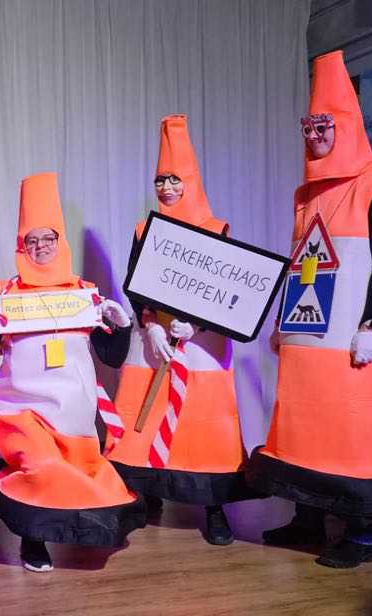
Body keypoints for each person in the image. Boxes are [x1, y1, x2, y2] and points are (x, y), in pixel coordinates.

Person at [247, 50, 372, 568]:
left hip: (355, 336)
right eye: (309, 127)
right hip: (309, 339)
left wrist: (371, 324)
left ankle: (361, 534)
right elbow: (301, 264)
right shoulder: (306, 195)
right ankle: (307, 517)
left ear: (346, 127)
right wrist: (283, 323)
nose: (315, 136)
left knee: (357, 432)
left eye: (324, 126)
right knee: (306, 429)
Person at [0, 172, 145, 572]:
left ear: (60, 242)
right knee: (40, 468)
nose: (41, 247)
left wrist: (121, 325)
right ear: (21, 246)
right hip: (22, 408)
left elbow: (111, 357)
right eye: (32, 240)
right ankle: (33, 540)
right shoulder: (5, 292)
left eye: (48, 238)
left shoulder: (84, 291)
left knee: (77, 476)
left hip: (73, 412)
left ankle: (78, 533)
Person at [107, 115, 252, 546]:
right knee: (144, 418)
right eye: (160, 180)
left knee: (204, 427)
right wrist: (150, 323)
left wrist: (199, 325)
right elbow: (134, 284)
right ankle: (145, 495)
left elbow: (227, 289)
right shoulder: (144, 229)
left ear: (190, 181)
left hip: (203, 348)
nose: (166, 187)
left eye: (174, 179)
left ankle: (215, 509)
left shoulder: (216, 230)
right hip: (154, 340)